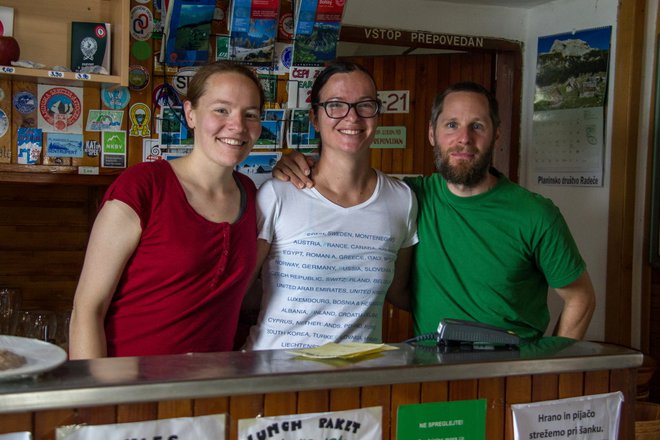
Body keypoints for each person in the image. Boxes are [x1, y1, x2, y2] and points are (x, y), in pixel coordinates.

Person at [272, 81, 596, 341]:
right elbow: (350, 186)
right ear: (432, 134)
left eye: (477, 126)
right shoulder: (408, 198)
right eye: (451, 125)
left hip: (509, 376)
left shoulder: (535, 214)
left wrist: (552, 369)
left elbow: (580, 298)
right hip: (431, 375)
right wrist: (293, 164)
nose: (463, 139)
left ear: (496, 135)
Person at [69, 61, 265, 358]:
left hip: (209, 389)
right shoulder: (142, 187)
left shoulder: (251, 194)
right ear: (191, 113)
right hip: (128, 389)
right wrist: (95, 399)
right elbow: (87, 309)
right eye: (221, 110)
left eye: (250, 114)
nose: (237, 125)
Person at [243, 61, 418, 350]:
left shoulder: (402, 200)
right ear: (314, 117)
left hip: (355, 383)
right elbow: (239, 293)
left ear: (377, 115)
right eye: (336, 105)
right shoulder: (278, 194)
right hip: (275, 379)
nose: (352, 117)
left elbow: (401, 292)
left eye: (365, 105)